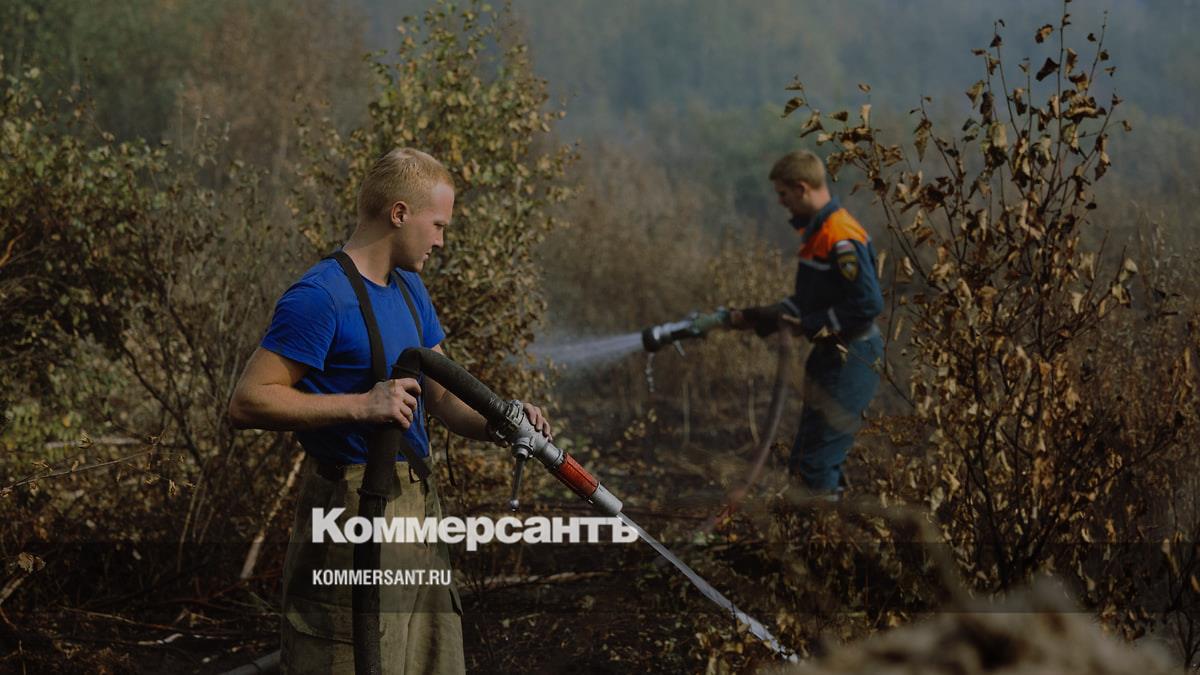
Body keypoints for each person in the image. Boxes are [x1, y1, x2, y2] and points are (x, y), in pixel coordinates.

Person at [228, 148, 551, 674]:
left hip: (418, 508)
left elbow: (444, 399)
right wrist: (362, 405)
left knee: (429, 659)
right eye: (438, 225)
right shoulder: (320, 296)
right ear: (399, 213)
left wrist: (503, 422)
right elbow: (247, 401)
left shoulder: (410, 290)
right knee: (348, 658)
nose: (441, 241)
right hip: (352, 512)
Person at [731, 149, 884, 498]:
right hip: (831, 355)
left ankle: (822, 529)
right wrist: (757, 315)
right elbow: (807, 301)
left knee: (817, 463)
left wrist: (809, 324)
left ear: (801, 188)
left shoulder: (840, 236)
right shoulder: (818, 233)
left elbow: (868, 304)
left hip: (853, 357)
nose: (781, 202)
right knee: (807, 458)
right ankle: (828, 521)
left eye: (783, 194)